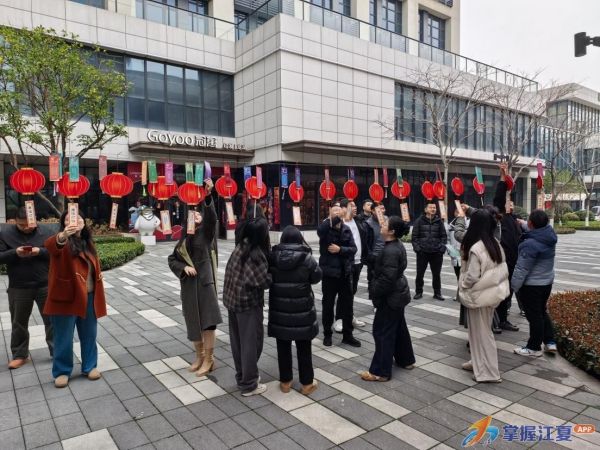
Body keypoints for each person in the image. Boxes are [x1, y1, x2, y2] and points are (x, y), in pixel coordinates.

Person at [44, 210, 107, 388]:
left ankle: (90, 366)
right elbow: (51, 246)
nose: (75, 220)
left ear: (84, 222)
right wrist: (63, 235)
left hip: (89, 296)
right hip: (66, 297)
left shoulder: (88, 242)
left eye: (78, 217)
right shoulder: (62, 241)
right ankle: (62, 371)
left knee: (89, 334)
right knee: (63, 337)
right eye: (69, 218)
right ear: (63, 224)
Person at [168, 180, 221, 377]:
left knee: (208, 323)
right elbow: (172, 259)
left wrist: (208, 196)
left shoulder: (207, 234)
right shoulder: (184, 239)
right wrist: (184, 267)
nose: (196, 215)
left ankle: (209, 359)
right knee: (193, 323)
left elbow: (212, 219)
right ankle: (199, 356)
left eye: (199, 213)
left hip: (205, 285)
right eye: (194, 213)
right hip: (189, 287)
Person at [268, 226, 322, 395]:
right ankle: (307, 384)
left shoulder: (272, 257)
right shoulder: (306, 258)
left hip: (279, 310)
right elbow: (316, 277)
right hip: (302, 310)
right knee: (304, 347)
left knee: (282, 346)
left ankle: (285, 382)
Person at [360, 216, 415, 382]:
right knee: (399, 328)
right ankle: (406, 360)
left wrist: (374, 291)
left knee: (382, 331)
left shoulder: (391, 250)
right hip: (398, 293)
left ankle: (380, 371)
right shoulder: (394, 245)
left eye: (385, 224)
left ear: (391, 231)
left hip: (391, 297)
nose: (381, 226)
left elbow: (387, 279)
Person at [458, 210, 509, 383]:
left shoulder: (476, 248)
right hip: (491, 295)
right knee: (480, 331)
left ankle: (489, 372)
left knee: (482, 334)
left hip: (478, 296)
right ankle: (477, 362)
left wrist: (463, 285)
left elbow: (472, 276)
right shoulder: (494, 243)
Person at [0, 207, 54, 369]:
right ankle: (20, 355)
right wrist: (14, 253)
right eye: (21, 225)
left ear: (35, 219)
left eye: (29, 224)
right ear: (14, 221)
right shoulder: (5, 233)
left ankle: (57, 351)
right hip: (19, 286)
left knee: (52, 321)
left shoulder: (47, 231)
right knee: (19, 322)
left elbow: (57, 253)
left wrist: (40, 251)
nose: (26, 228)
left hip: (44, 284)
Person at [223, 217, 271, 396]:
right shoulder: (255, 254)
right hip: (247, 305)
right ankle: (249, 384)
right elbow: (259, 281)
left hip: (232, 301)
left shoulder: (241, 246)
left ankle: (242, 376)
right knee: (251, 343)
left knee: (238, 343)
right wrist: (271, 277)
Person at [511, 210, 558, 357]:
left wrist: (513, 287)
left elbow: (521, 269)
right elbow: (536, 229)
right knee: (542, 311)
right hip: (547, 282)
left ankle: (534, 347)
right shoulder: (549, 234)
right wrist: (522, 223)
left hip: (532, 285)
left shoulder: (530, 244)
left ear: (531, 223)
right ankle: (550, 341)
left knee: (534, 316)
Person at [317, 204, 360, 348]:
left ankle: (348, 335)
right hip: (329, 275)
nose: (337, 212)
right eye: (334, 211)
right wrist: (333, 218)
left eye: (338, 210)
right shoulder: (325, 229)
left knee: (347, 306)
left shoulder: (346, 229)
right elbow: (320, 231)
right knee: (328, 306)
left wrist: (340, 249)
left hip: (345, 274)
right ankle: (327, 334)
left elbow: (353, 249)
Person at [490, 164, 521, 332]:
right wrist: (503, 179)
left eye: (511, 203)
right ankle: (492, 321)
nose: (510, 204)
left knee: (507, 293)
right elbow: (499, 199)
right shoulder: (499, 218)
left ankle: (503, 319)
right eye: (507, 202)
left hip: (512, 264)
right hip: (500, 263)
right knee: (496, 293)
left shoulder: (515, 220)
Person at [334, 199, 368, 333]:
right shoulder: (338, 223)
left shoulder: (358, 221)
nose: (354, 208)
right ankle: (339, 319)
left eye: (355, 206)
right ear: (343, 208)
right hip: (345, 263)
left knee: (352, 291)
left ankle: (349, 316)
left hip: (358, 262)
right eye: (351, 206)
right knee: (344, 292)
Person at [411, 202, 447, 301]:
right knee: (420, 274)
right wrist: (418, 249)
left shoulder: (439, 221)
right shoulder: (419, 221)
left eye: (434, 207)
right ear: (426, 209)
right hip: (423, 252)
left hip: (436, 253)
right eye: (431, 207)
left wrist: (441, 249)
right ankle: (418, 292)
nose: (433, 209)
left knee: (436, 274)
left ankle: (437, 293)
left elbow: (444, 236)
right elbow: (414, 237)